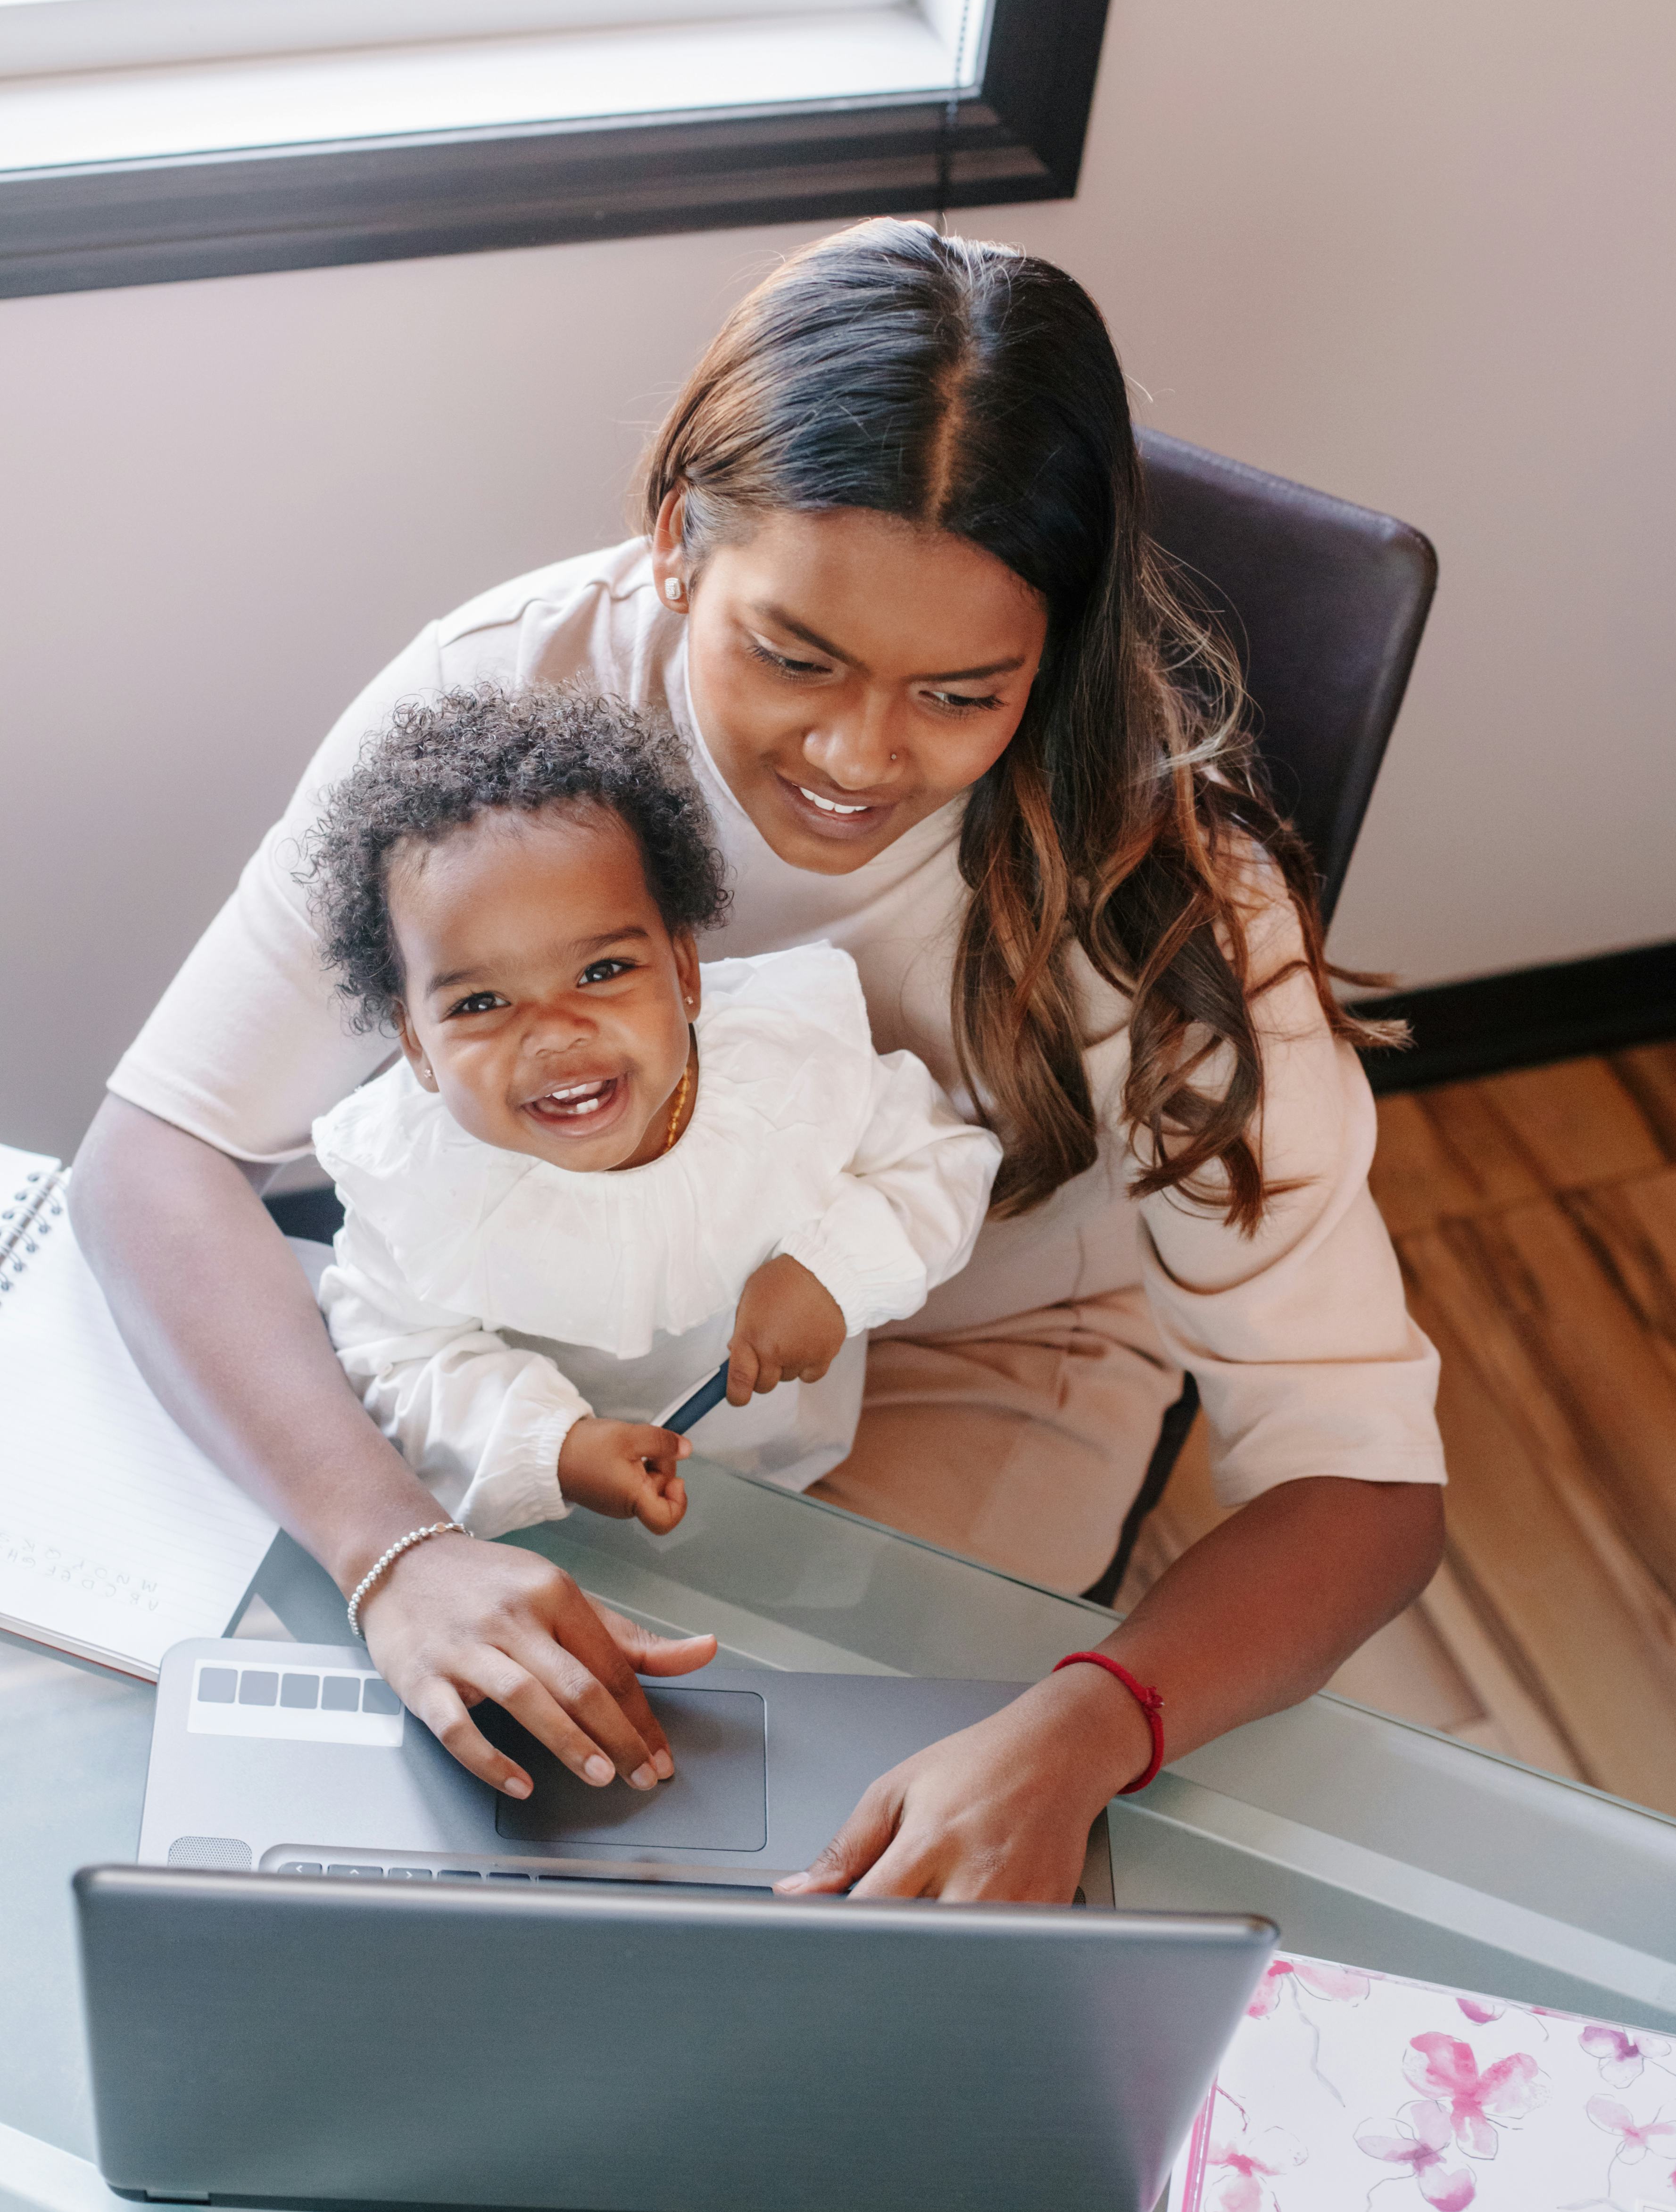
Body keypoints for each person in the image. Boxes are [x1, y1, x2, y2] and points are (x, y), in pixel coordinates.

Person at [73, 217, 1445, 1903]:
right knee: (302, 1779)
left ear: (1061, 650)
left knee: (757, 1864)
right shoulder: (511, 693)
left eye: (961, 692)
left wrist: (1093, 1724)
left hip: (962, 1345)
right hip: (516, 1303)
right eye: (793, 656)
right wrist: (397, 1553)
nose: (859, 756)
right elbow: (163, 1152)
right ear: (673, 545)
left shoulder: (1167, 904)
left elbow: (1361, 1477)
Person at [304, 681, 1000, 1657]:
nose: (555, 1032)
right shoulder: (419, 1181)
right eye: (479, 1004)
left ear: (683, 969)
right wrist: (556, 1446)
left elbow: (940, 1163)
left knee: (797, 1647)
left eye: (600, 972)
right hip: (526, 1520)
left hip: (785, 1477)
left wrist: (829, 1274)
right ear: (414, 1046)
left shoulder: (791, 1068)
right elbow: (402, 1357)